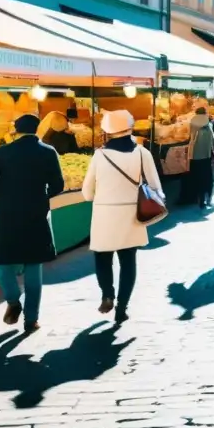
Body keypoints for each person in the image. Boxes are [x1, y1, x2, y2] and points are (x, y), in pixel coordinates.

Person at [0, 114, 65, 333]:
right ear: (37, 129)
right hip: (36, 215)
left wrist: (4, 197)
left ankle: (12, 300)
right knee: (33, 267)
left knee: (1, 264)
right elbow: (58, 184)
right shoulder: (48, 152)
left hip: (6, 215)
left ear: (16, 130)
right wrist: (41, 196)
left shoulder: (1, 153)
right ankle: (31, 320)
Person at [82, 110, 165, 323]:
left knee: (102, 257)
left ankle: (107, 294)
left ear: (108, 131)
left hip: (104, 214)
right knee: (128, 262)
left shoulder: (100, 155)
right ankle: (123, 306)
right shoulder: (141, 152)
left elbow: (87, 192)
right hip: (131, 214)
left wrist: (98, 196)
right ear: (131, 127)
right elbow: (156, 187)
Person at [188, 107, 214, 209]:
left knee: (197, 178)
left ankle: (199, 200)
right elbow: (213, 141)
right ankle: (208, 199)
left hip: (194, 156)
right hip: (206, 156)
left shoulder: (192, 124)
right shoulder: (209, 125)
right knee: (207, 179)